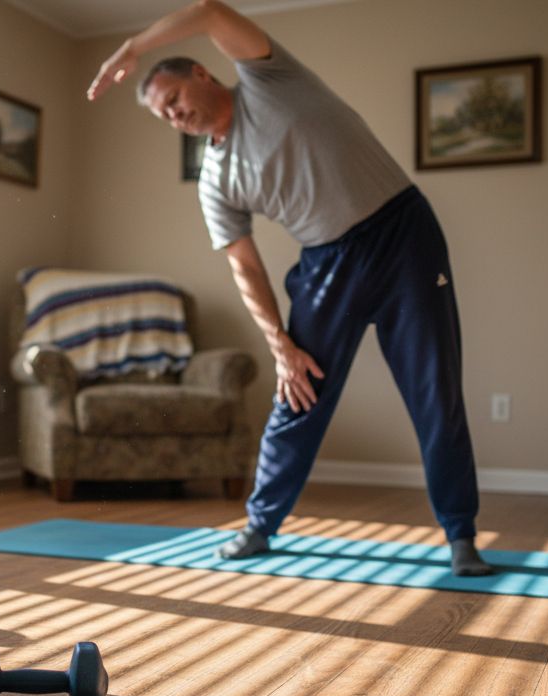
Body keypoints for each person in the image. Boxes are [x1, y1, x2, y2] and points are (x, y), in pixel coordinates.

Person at [86, 0, 493, 576]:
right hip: (328, 263)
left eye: (174, 101)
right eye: (164, 117)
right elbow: (245, 266)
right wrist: (279, 342)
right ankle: (260, 525)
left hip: (405, 236)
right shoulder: (214, 181)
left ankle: (461, 536)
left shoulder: (270, 79)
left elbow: (207, 10)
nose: (175, 116)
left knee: (436, 392)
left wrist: (131, 49)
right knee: (297, 392)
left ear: (202, 74)